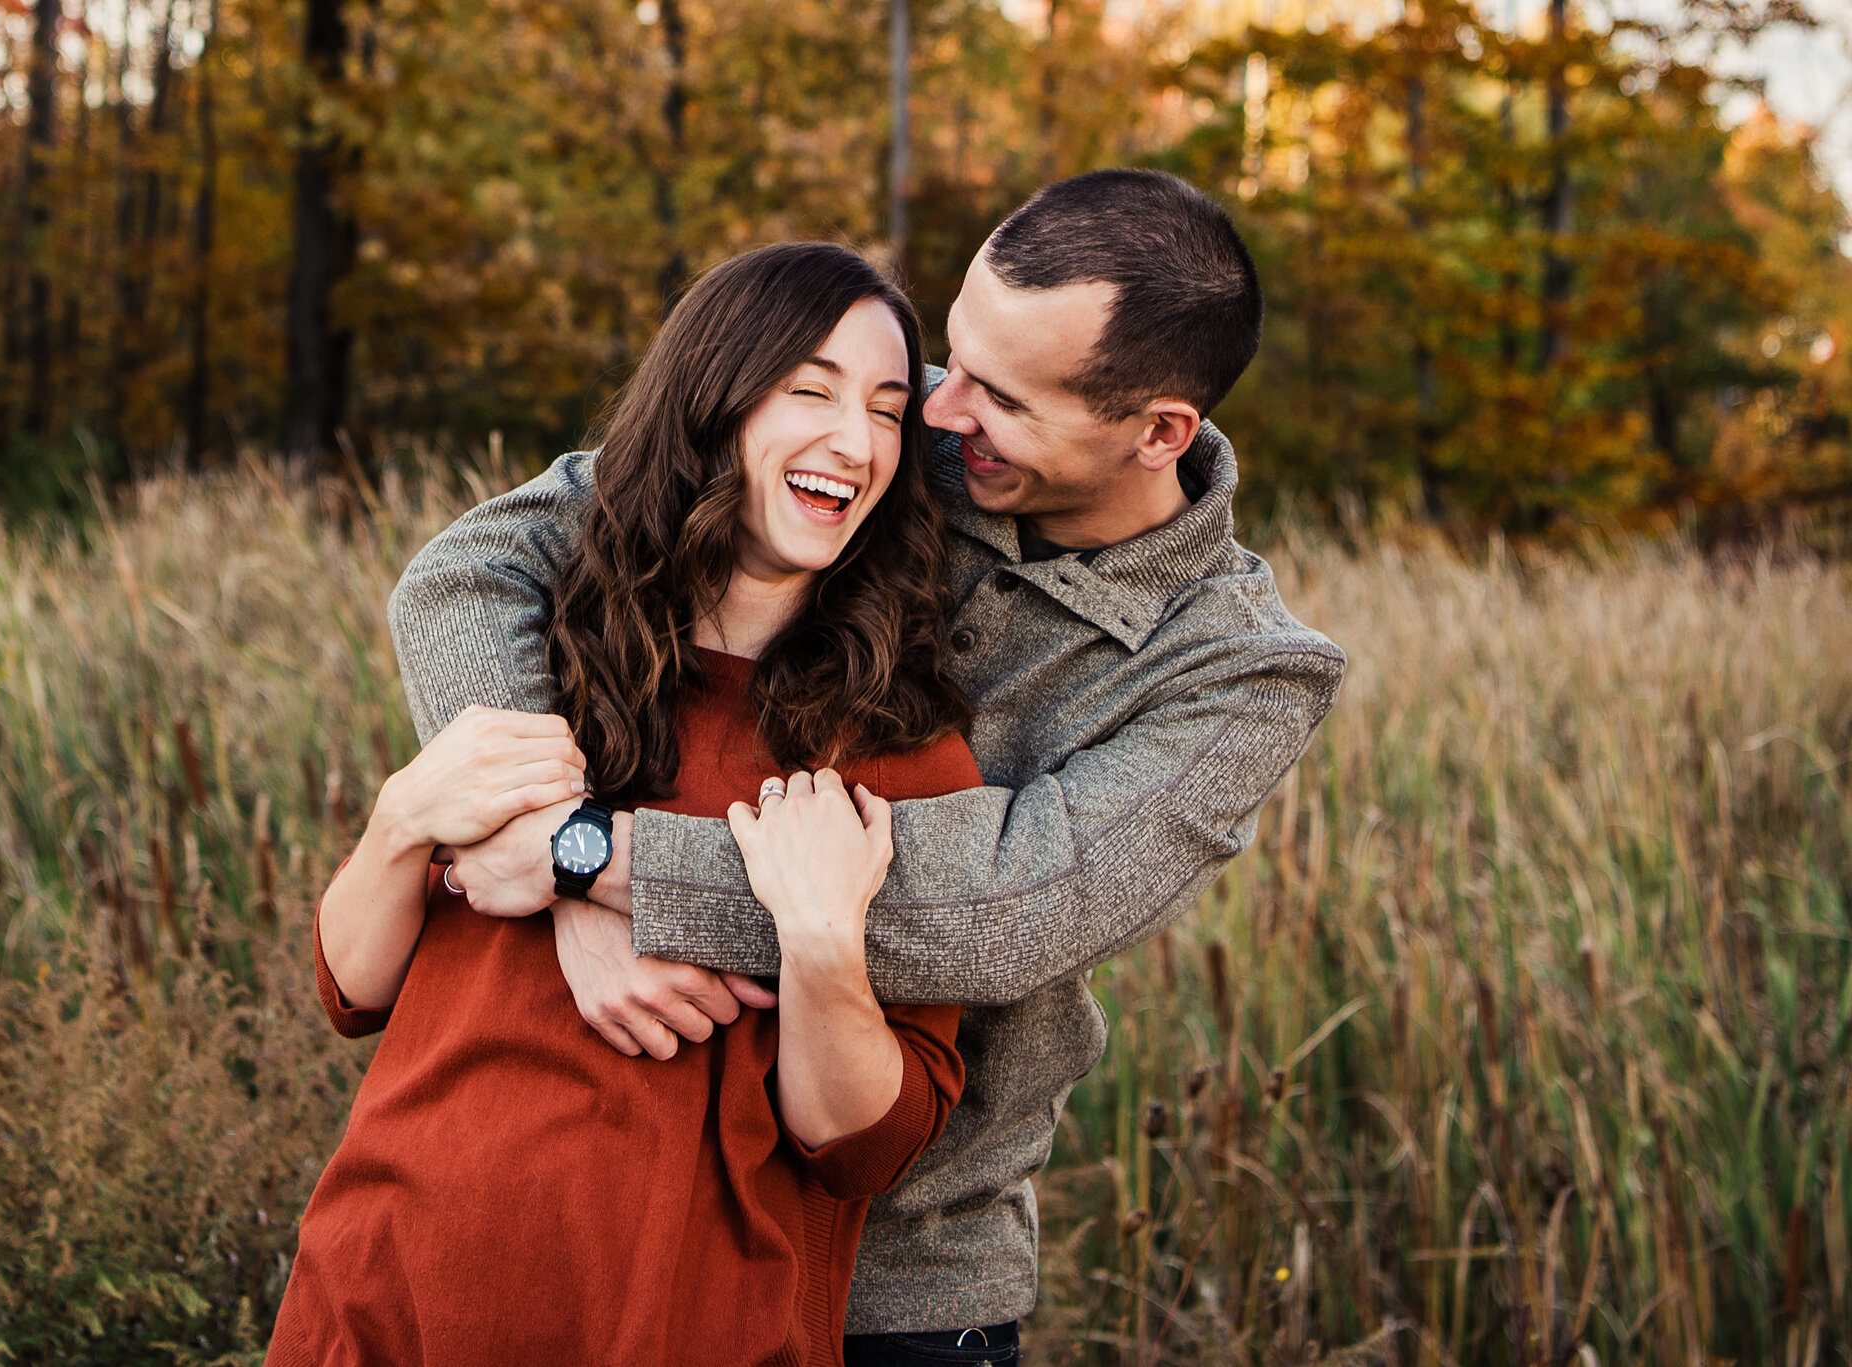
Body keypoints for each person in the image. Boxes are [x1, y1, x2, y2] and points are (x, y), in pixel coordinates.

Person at [389, 169, 1348, 1362]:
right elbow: (475, 568)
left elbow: (1003, 907)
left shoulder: (1240, 671)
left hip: (900, 1269)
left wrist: (597, 863)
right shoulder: (876, 428)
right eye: (951, 356)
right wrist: (550, 838)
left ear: (1159, 430)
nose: (940, 415)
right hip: (633, 1204)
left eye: (998, 396)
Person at [267, 242, 987, 1366]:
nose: (854, 440)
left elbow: (859, 1145)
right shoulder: (536, 658)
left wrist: (819, 942)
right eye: (808, 390)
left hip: (678, 1327)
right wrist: (403, 822)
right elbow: (353, 989)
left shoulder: (897, 753)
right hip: (385, 1293)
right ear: (711, 401)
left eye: (889, 412)